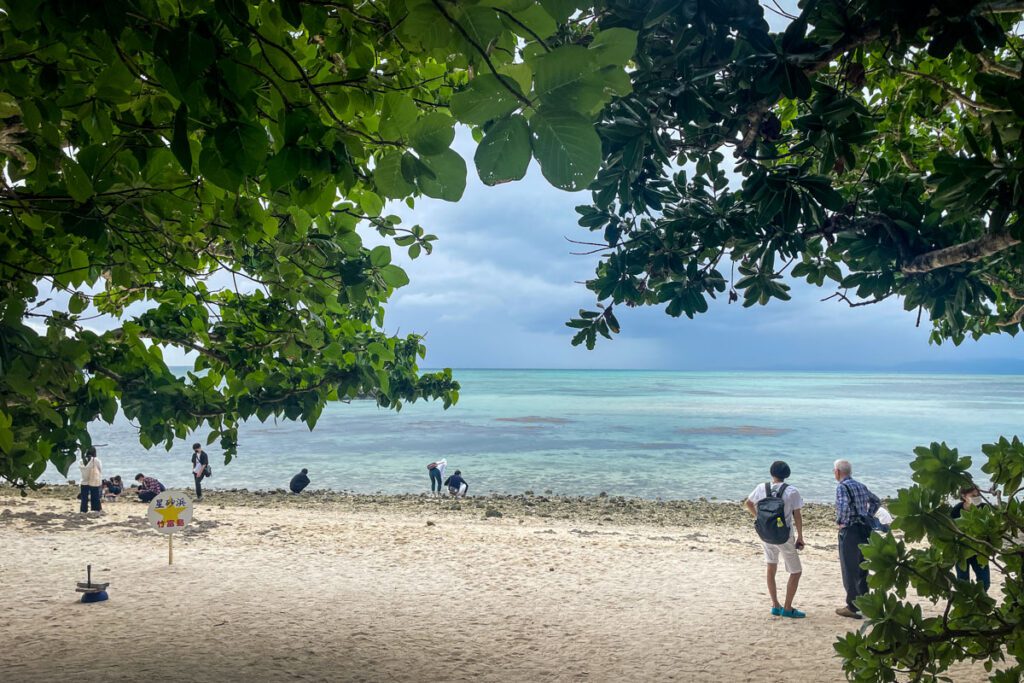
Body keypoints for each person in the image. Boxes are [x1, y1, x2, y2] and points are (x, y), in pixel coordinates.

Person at [744, 460, 806, 618]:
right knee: (796, 571)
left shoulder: (761, 487)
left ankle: (775, 605)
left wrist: (759, 518)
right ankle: (787, 607)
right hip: (784, 536)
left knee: (771, 567)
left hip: (766, 534)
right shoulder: (792, 491)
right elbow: (796, 515)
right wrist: (800, 536)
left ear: (771, 473)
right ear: (787, 474)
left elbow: (748, 503)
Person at [833, 459, 881, 619]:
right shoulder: (860, 485)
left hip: (851, 530)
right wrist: (868, 515)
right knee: (862, 567)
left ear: (837, 472)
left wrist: (841, 522)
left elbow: (843, 507)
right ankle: (865, 603)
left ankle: (852, 606)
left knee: (849, 568)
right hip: (864, 529)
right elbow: (876, 500)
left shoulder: (842, 487)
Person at [951, 484, 992, 591]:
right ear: (964, 496)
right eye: (973, 495)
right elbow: (951, 531)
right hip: (962, 551)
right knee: (962, 582)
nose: (976, 497)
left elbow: (991, 528)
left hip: (979, 550)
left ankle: (979, 602)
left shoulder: (984, 507)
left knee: (985, 583)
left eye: (978, 495)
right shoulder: (956, 510)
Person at [78, 447, 103, 513]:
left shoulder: (81, 461)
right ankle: (95, 509)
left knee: (84, 498)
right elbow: (100, 470)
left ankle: (83, 510)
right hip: (93, 481)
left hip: (84, 481)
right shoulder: (96, 460)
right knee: (95, 497)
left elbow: (81, 470)